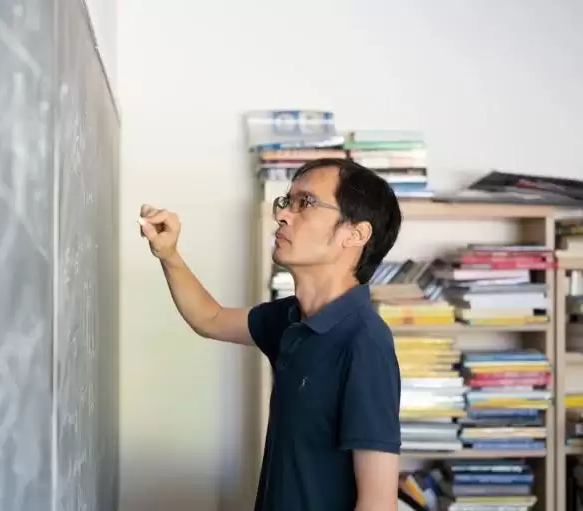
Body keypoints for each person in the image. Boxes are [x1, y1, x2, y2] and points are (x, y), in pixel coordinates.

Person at [139, 157, 403, 511]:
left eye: (305, 203)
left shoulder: (365, 342)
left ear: (355, 234)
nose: (283, 215)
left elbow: (378, 504)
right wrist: (169, 254)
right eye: (287, 201)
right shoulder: (291, 318)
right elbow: (209, 318)